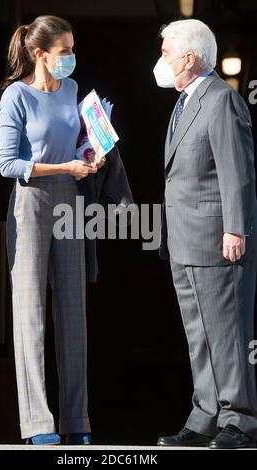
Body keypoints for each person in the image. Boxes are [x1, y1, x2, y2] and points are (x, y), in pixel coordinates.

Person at [0, 15, 105, 446]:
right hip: (31, 200)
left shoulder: (74, 90)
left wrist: (89, 153)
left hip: (71, 196)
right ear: (40, 54)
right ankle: (39, 424)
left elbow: (76, 142)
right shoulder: (15, 96)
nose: (71, 58)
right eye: (64, 51)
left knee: (73, 311)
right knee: (30, 314)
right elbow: (8, 164)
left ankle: (77, 419)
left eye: (72, 49)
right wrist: (65, 166)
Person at [154, 19, 257, 449]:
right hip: (184, 239)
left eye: (165, 53)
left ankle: (240, 420)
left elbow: (237, 170)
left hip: (217, 239)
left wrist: (235, 227)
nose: (160, 61)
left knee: (227, 332)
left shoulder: (221, 100)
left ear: (189, 58)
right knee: (199, 333)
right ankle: (205, 415)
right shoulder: (184, 102)